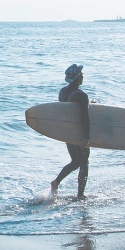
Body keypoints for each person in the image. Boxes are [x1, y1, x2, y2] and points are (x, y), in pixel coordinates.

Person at [50, 64, 91, 199]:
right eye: (81, 74)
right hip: (78, 132)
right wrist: (86, 136)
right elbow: (85, 117)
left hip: (67, 132)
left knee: (76, 161)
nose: (83, 75)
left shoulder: (62, 92)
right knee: (84, 162)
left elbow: (69, 112)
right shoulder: (81, 95)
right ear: (78, 77)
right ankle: (80, 195)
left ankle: (56, 182)